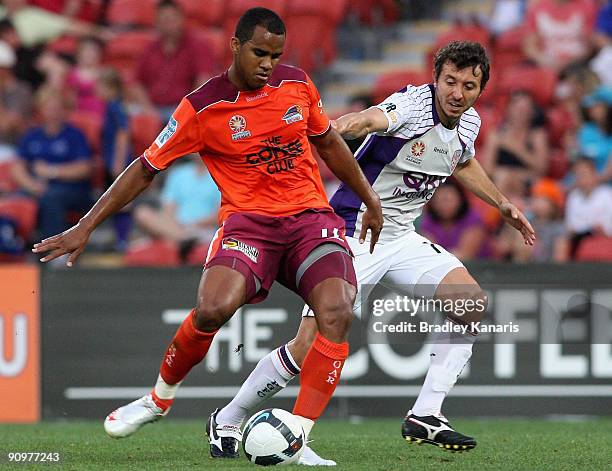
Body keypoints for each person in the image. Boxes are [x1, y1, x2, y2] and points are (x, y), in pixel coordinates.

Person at [32, 7, 383, 467]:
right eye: (259, 52)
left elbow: (330, 143)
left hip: (307, 218)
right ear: (235, 46)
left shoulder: (297, 84)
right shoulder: (202, 107)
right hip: (249, 224)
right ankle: (158, 400)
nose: (267, 64)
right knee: (213, 308)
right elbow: (144, 169)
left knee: (337, 310)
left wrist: (368, 198)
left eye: (275, 55)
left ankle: (297, 435)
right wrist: (87, 225)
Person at [211, 41, 535, 460]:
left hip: (399, 236)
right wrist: (326, 129)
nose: (458, 92)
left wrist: (501, 203)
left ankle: (426, 413)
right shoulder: (413, 107)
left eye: (469, 85)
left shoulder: (469, 123)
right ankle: (230, 417)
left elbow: (462, 160)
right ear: (435, 79)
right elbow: (366, 120)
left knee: (469, 304)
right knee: (307, 345)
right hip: (350, 232)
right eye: (450, 81)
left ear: (480, 89)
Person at [11, 86, 92, 240]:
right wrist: (31, 185)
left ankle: (55, 247)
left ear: (63, 109)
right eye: (48, 108)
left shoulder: (74, 134)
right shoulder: (32, 135)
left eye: (56, 107)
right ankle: (15, 246)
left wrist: (52, 171)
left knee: (50, 197)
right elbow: (17, 168)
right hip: (37, 186)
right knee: (14, 198)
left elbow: (84, 169)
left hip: (71, 189)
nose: (52, 112)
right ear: (41, 110)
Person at [132, 0, 214, 122]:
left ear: (182, 20)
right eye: (163, 20)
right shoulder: (149, 49)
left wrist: (186, 109)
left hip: (182, 108)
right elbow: (136, 83)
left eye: (172, 19)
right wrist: (148, 109)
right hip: (152, 108)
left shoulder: (197, 46)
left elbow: (203, 82)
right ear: (156, 22)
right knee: (119, 113)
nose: (168, 24)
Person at [420, 179, 489, 261]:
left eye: (448, 200)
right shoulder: (428, 221)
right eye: (439, 201)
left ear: (460, 200)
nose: (444, 205)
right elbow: (430, 254)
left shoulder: (473, 219)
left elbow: (465, 254)